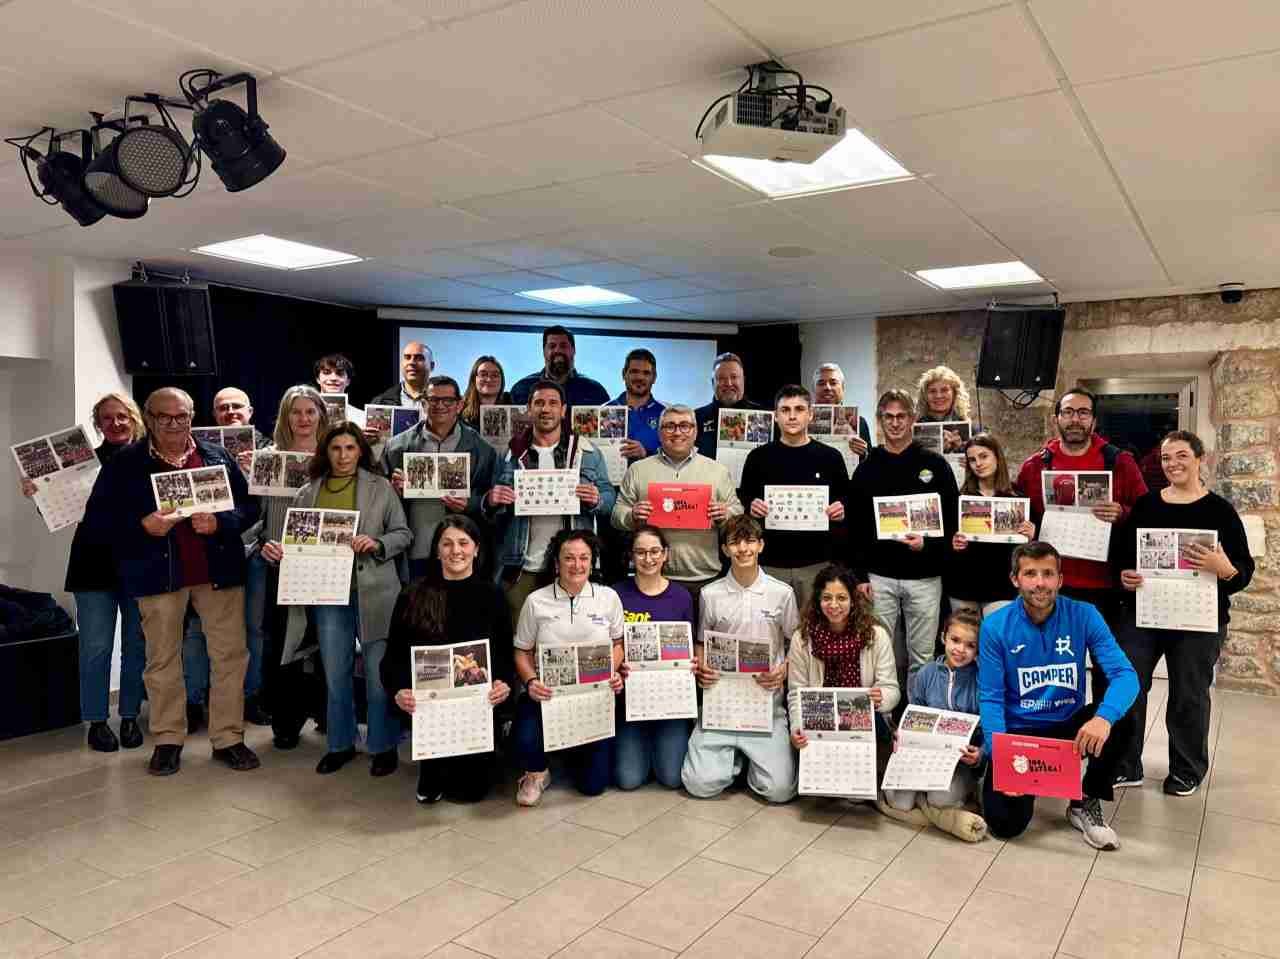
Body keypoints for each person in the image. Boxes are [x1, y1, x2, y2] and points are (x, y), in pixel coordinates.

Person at [83, 387, 262, 776]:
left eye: (181, 416)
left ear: (192, 416)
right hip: (158, 575)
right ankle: (167, 740)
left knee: (230, 657)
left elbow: (250, 506)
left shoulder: (216, 456)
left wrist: (221, 522)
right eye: (163, 417)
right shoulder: (125, 464)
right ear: (148, 418)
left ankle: (228, 739)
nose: (173, 424)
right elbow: (98, 521)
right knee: (161, 658)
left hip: (217, 573)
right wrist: (141, 526)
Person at [1113, 430, 1254, 795]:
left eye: (1181, 456)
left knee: (1188, 695)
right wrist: (1124, 576)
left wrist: (1223, 568)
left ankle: (1186, 770)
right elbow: (1123, 558)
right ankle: (1126, 765)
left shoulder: (1220, 510)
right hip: (1144, 615)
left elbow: (1242, 571)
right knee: (1128, 686)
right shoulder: (1146, 505)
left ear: (1199, 459)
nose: (1172, 464)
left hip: (1199, 620)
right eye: (1166, 458)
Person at [268, 423, 411, 776]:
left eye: (350, 448)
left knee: (378, 677)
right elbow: (296, 543)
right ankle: (340, 743)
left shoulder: (381, 488)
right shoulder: (307, 492)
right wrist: (280, 551)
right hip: (328, 595)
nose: (343, 455)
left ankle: (383, 745)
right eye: (336, 448)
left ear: (361, 450)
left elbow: (403, 533)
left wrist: (377, 543)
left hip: (376, 594)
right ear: (326, 452)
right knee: (335, 674)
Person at [978, 542, 1139, 849]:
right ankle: (1020, 778)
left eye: (1048, 574)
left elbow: (1125, 675)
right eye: (1030, 574)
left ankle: (1085, 801)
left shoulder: (1084, 615)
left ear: (1060, 580)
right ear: (1015, 579)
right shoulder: (995, 626)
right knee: (1006, 826)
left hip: (1068, 728)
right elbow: (991, 699)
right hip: (1020, 734)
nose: (1040, 582)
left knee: (1122, 718)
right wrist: (1003, 757)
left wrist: (1103, 718)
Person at [21, 393, 148, 752]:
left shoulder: (151, 459)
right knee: (95, 647)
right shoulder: (81, 463)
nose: (116, 423)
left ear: (135, 418)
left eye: (122, 416)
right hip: (92, 564)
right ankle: (96, 721)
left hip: (141, 565)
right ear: (98, 424)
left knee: (137, 646)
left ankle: (129, 716)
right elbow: (57, 513)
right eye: (107, 418)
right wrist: (37, 495)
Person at [220, 385, 330, 748]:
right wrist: (262, 544)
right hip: (280, 566)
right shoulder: (267, 458)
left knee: (327, 642)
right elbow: (252, 516)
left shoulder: (336, 456)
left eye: (310, 411)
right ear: (285, 417)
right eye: (296, 412)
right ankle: (286, 721)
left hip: (328, 566)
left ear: (321, 415)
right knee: (284, 644)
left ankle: (328, 713)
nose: (303, 419)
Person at [383, 516, 514, 803]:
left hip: (478, 706)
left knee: (471, 793)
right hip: (430, 709)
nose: (456, 551)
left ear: (476, 549)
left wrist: (503, 683)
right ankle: (432, 764)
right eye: (447, 544)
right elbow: (393, 656)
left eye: (463, 543)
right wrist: (399, 690)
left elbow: (505, 654)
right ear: (437, 550)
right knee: (433, 787)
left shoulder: (493, 595)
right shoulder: (413, 594)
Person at [1015, 387, 1147, 648]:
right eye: (1068, 412)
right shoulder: (1034, 466)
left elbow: (1147, 513)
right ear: (1056, 419)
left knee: (1104, 662)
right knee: (1053, 657)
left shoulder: (1120, 462)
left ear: (1094, 421)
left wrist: (1122, 512)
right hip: (1051, 583)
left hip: (1106, 585)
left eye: (1083, 412)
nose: (1075, 419)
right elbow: (1019, 513)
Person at [682, 515, 799, 804]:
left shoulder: (782, 593)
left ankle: (750, 761)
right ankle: (733, 761)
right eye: (735, 542)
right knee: (698, 784)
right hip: (720, 703)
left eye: (750, 541)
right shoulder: (710, 594)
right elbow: (701, 642)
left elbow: (797, 643)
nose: (743, 548)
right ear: (724, 549)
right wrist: (702, 666)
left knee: (780, 791)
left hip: (765, 703)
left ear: (761, 545)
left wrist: (784, 670)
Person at [847, 389, 959, 678]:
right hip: (879, 577)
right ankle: (885, 705)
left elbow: (952, 520)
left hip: (924, 576)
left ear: (912, 419)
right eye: (889, 417)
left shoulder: (936, 465)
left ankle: (918, 704)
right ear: (880, 420)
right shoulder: (867, 468)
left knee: (922, 655)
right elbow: (855, 527)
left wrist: (927, 544)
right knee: (878, 652)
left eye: (901, 416)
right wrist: (859, 576)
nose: (895, 423)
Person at [184, 385, 277, 731]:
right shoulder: (199, 450)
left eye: (237, 406)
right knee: (197, 630)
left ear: (250, 412)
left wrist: (255, 474)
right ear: (214, 414)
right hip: (212, 551)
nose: (230, 412)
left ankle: (251, 696)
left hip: (256, 550)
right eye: (223, 408)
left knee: (254, 629)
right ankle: (194, 701)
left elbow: (280, 502)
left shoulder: (273, 449)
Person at [486, 380, 616, 627]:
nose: (546, 409)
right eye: (539, 403)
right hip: (521, 567)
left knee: (568, 636)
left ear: (563, 410)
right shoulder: (510, 454)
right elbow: (490, 508)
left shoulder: (587, 452)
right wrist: (491, 500)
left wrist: (597, 499)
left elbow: (610, 499)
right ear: (529, 408)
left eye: (553, 403)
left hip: (571, 569)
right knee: (520, 639)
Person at [511, 529, 625, 805]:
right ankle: (537, 772)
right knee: (523, 739)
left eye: (584, 558)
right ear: (556, 563)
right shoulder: (536, 601)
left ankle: (573, 753)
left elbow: (618, 644)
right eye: (569, 558)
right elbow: (522, 651)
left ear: (592, 562)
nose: (577, 565)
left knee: (593, 786)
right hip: (547, 697)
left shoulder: (608, 597)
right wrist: (531, 682)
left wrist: (611, 671)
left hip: (593, 698)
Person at [611, 404, 743, 607]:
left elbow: (738, 513)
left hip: (705, 578)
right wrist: (632, 515)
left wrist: (725, 513)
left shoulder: (717, 471)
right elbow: (616, 515)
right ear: (659, 432)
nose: (677, 432)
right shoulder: (638, 469)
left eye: (685, 426)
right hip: (652, 576)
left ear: (695, 431)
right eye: (670, 426)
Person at [879, 609, 989, 842]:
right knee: (898, 801)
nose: (960, 649)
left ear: (978, 650)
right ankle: (926, 800)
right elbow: (914, 713)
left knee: (940, 799)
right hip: (923, 756)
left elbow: (989, 728)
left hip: (959, 761)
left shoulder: (981, 680)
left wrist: (980, 755)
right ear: (943, 637)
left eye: (970, 645)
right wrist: (903, 734)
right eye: (955, 640)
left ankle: (961, 791)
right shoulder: (927, 673)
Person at [740, 385, 848, 612]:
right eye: (785, 410)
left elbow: (846, 503)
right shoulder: (758, 458)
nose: (792, 416)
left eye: (799, 409)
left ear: (810, 415)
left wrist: (842, 510)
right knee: (770, 628)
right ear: (775, 416)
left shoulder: (831, 458)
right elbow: (744, 503)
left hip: (817, 564)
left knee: (814, 628)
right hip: (770, 564)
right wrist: (751, 506)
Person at [381, 375, 497, 579]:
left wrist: (470, 503)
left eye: (448, 400)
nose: (440, 405)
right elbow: (381, 502)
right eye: (433, 400)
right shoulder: (396, 447)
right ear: (423, 403)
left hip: (461, 553)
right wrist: (394, 492)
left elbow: (492, 503)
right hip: (416, 548)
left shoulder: (483, 450)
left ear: (459, 405)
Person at [613, 525, 696, 789]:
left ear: (665, 554)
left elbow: (690, 647)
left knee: (672, 779)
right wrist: (617, 666)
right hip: (630, 700)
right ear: (631, 556)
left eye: (654, 551)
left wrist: (692, 663)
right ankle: (642, 751)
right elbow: (610, 645)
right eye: (640, 552)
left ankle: (656, 751)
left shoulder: (682, 596)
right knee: (628, 780)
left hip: (670, 701)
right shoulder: (615, 594)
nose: (648, 558)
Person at [787, 563, 899, 753]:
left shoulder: (876, 635)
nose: (833, 605)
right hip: (820, 719)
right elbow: (796, 694)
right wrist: (797, 727)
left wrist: (882, 697)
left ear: (853, 600)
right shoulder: (802, 638)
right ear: (817, 600)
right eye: (826, 598)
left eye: (841, 598)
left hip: (864, 718)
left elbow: (892, 689)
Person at [948, 433, 1036, 616]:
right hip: (963, 585)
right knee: (964, 634)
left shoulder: (1018, 497)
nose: (978, 464)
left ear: (997, 457)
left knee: (998, 634)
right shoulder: (960, 498)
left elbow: (1030, 552)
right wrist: (953, 543)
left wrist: (1030, 537)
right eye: (972, 460)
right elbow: (945, 543)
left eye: (983, 456)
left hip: (1002, 586)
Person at [509, 326, 609, 407]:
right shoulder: (521, 389)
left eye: (563, 346)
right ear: (544, 352)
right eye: (552, 346)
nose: (558, 350)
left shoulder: (595, 391)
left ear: (573, 350)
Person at [694, 352, 764, 459]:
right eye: (721, 378)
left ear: (743, 380)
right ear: (713, 382)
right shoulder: (695, 418)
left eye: (734, 377)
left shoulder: (763, 416)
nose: (728, 383)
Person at [606, 348, 666, 461]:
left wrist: (646, 455)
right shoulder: (605, 411)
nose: (640, 377)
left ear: (654, 378)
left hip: (650, 472)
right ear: (624, 374)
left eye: (646, 373)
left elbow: (675, 458)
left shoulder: (666, 414)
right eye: (634, 371)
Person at [813, 362, 872, 459]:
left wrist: (864, 454)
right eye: (821, 383)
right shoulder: (801, 422)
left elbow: (871, 464)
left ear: (843, 388)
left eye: (833, 383)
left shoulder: (860, 423)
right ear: (814, 389)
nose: (827, 387)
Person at [371, 341, 434, 408]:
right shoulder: (380, 402)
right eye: (407, 357)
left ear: (431, 366)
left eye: (419, 358)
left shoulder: (441, 398)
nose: (411, 362)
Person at [314, 352, 365, 430]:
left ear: (348, 381)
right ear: (318, 379)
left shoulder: (361, 417)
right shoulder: (304, 412)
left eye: (340, 373)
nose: (333, 378)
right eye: (326, 373)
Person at [460, 355, 511, 430]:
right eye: (483, 375)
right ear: (474, 379)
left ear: (502, 380)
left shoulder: (512, 402)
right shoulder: (459, 409)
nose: (489, 379)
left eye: (495, 375)